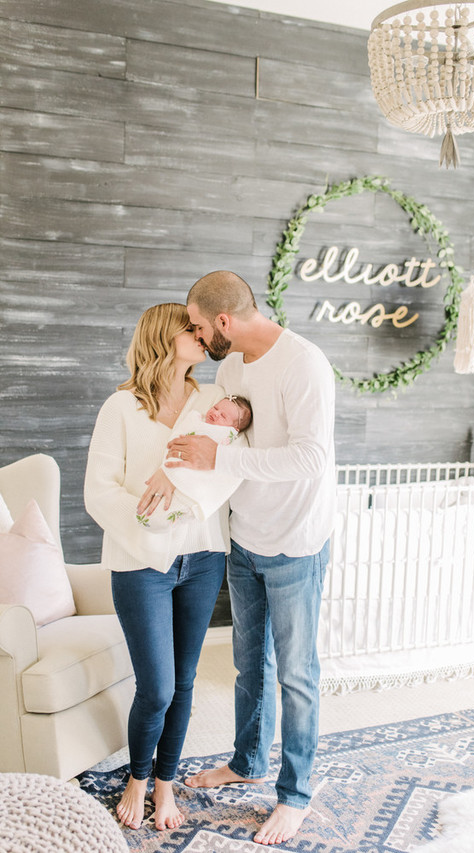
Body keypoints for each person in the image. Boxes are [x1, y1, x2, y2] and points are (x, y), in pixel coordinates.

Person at [163, 271, 336, 846]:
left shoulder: (305, 364)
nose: (193, 334)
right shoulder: (232, 365)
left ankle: (296, 796)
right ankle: (247, 761)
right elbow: (242, 431)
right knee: (249, 666)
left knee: (296, 674)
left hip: (295, 541)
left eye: (195, 324)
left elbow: (309, 457)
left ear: (224, 321)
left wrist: (221, 458)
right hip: (247, 537)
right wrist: (234, 414)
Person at [84, 303, 240, 833]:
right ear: (162, 336)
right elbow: (97, 491)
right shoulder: (120, 407)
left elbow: (227, 472)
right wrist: (148, 531)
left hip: (201, 556)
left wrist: (181, 491)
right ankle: (137, 777)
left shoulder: (214, 399)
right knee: (157, 687)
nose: (202, 336)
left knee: (187, 681)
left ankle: (165, 784)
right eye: (191, 328)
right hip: (138, 561)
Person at [136, 395, 252, 532]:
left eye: (223, 416)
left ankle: (162, 521)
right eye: (215, 408)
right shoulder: (196, 421)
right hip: (175, 469)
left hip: (192, 487)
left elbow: (225, 465)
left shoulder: (227, 437)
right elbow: (180, 436)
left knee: (169, 512)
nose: (215, 413)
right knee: (153, 509)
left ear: (234, 429)